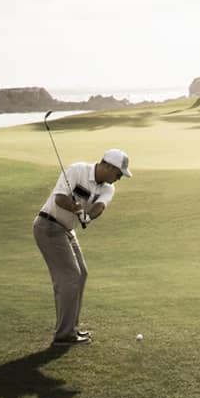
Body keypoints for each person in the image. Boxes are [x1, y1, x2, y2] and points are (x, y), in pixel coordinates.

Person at [34, 146, 133, 347]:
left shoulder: (108, 187)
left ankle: (71, 328)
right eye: (118, 173)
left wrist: (88, 216)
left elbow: (100, 206)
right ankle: (64, 334)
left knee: (82, 274)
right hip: (48, 226)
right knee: (70, 275)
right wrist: (74, 207)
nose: (119, 178)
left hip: (67, 230)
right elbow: (60, 198)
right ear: (107, 165)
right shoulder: (77, 170)